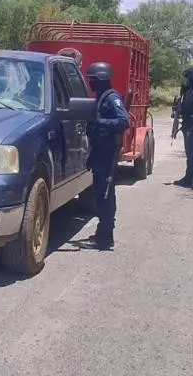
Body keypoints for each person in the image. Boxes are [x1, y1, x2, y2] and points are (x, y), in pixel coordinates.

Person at [84, 61, 129, 250]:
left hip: (108, 154)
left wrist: (101, 122)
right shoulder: (102, 96)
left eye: (93, 80)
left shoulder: (112, 98)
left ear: (102, 79)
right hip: (100, 152)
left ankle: (105, 238)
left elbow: (123, 121)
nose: (91, 83)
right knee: (101, 195)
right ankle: (102, 234)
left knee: (105, 195)